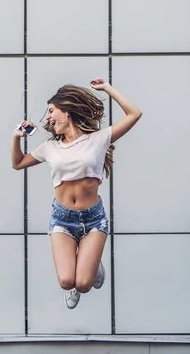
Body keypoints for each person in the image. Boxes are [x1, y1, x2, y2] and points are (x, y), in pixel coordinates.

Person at [11, 78, 142, 309]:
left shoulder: (98, 140)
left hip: (93, 219)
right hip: (63, 218)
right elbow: (18, 163)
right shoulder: (50, 147)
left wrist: (107, 88)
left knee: (83, 283)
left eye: (51, 111)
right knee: (66, 281)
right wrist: (16, 138)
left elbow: (134, 114)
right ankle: (84, 267)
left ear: (67, 111)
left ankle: (92, 266)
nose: (48, 118)